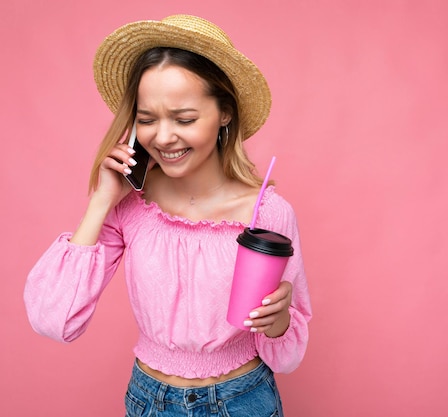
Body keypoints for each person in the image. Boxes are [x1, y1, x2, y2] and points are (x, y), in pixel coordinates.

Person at [24, 15, 311, 417]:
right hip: (149, 401)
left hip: (243, 400)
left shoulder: (266, 213)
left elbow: (286, 356)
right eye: (146, 119)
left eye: (184, 119)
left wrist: (279, 321)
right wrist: (102, 200)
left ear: (224, 113)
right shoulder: (132, 207)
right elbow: (54, 319)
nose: (162, 137)